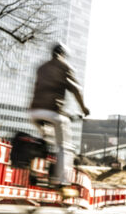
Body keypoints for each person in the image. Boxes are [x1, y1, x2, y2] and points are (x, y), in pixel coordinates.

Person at [29, 43, 89, 187]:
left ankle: (34, 169)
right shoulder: (64, 67)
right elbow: (76, 89)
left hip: (34, 112)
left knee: (46, 139)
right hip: (52, 112)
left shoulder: (41, 67)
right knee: (64, 146)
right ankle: (62, 181)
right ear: (63, 54)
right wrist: (83, 108)